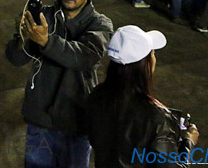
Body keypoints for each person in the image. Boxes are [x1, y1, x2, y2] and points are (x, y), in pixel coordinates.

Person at [6, 0, 113, 168]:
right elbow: (16, 59)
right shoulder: (44, 16)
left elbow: (84, 57)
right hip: (40, 122)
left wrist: (47, 42)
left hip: (75, 124)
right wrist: (22, 38)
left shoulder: (100, 24)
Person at [84, 25, 199, 167]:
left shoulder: (96, 96)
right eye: (152, 54)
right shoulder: (157, 119)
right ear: (146, 64)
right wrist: (188, 143)